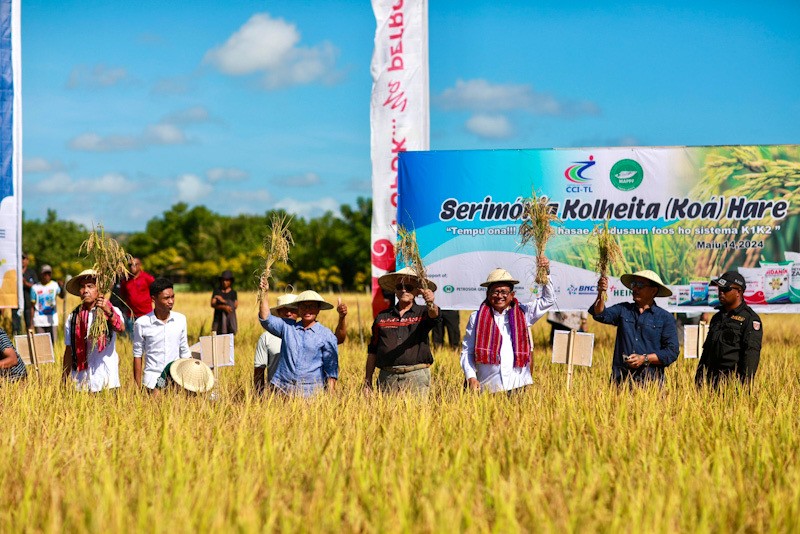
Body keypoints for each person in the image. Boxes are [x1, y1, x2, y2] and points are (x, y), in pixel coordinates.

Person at [461, 260, 555, 394]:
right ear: (488, 294)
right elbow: (467, 351)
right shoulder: (476, 318)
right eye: (495, 292)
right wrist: (471, 376)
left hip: (518, 383)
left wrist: (545, 273)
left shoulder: (524, 313)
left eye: (504, 292)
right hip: (489, 386)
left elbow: (549, 300)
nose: (499, 296)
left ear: (512, 295)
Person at [590, 270, 679, 386]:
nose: (635, 289)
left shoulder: (665, 318)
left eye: (640, 285)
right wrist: (601, 293)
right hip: (621, 380)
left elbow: (671, 352)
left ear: (653, 291)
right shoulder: (623, 310)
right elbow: (600, 314)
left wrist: (644, 358)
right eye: (634, 285)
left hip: (651, 383)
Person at [366, 267, 440, 394]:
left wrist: (430, 304)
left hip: (416, 376)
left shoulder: (423, 312)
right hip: (387, 377)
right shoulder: (382, 317)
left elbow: (434, 315)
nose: (404, 290)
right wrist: (368, 381)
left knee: (418, 413)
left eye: (409, 287)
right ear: (395, 291)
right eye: (400, 287)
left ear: (417, 291)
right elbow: (373, 350)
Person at [258, 283, 338, 397]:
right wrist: (264, 294)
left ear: (318, 309)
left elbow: (331, 369)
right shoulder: (287, 327)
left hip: (311, 394)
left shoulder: (326, 335)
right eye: (303, 306)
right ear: (298, 309)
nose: (307, 309)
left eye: (312, 306)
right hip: (282, 389)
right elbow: (266, 319)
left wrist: (330, 397)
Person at [695, 271, 762, 387]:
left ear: (738, 292)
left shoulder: (750, 319)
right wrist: (699, 378)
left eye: (726, 289)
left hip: (732, 385)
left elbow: (751, 355)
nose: (721, 292)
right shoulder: (717, 317)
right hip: (711, 384)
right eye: (719, 289)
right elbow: (707, 352)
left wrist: (742, 388)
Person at [62, 269, 125, 393]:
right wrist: (64, 378)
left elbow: (121, 329)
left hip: (107, 379)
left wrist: (108, 312)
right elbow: (69, 350)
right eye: (82, 287)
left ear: (99, 289)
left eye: (90, 286)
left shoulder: (112, 311)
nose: (85, 291)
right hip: (82, 382)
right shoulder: (73, 317)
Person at [132, 277, 191, 391]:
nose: (171, 301)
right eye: (166, 298)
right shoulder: (142, 323)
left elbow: (184, 350)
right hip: (152, 379)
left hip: (175, 379)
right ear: (154, 298)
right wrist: (137, 387)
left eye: (172, 297)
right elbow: (137, 355)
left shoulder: (180, 320)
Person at [254, 294, 298, 395]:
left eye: (293, 309)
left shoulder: (305, 333)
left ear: (299, 312)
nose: (288, 313)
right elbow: (259, 370)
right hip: (275, 393)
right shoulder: (266, 337)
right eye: (284, 309)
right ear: (278, 312)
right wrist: (259, 397)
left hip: (302, 394)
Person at [30, 264, 65, 345]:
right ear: (41, 274)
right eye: (45, 274)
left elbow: (62, 296)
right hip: (39, 320)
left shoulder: (55, 285)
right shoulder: (35, 288)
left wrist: (62, 287)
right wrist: (31, 323)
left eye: (49, 273)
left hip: (52, 320)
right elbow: (32, 306)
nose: (47, 276)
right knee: (41, 344)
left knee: (53, 343)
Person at [120, 257, 155, 335]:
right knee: (133, 339)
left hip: (146, 314)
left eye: (136, 264)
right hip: (131, 315)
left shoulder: (147, 278)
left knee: (147, 336)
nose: (133, 266)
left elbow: (156, 290)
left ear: (140, 265)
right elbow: (123, 295)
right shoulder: (125, 280)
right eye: (130, 265)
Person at [12, 252, 37, 335]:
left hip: (28, 303)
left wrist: (26, 284)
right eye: (20, 258)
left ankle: (29, 343)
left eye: (24, 258)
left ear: (27, 260)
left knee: (29, 325)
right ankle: (16, 340)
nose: (22, 260)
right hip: (16, 302)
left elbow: (36, 286)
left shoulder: (31, 272)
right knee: (16, 325)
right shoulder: (14, 272)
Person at [211, 270, 238, 335]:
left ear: (230, 281)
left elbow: (235, 305)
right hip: (218, 320)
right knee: (216, 339)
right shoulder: (217, 291)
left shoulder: (233, 293)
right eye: (223, 280)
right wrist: (223, 307)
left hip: (229, 320)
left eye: (227, 280)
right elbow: (212, 303)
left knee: (229, 340)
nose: (224, 282)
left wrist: (223, 301)